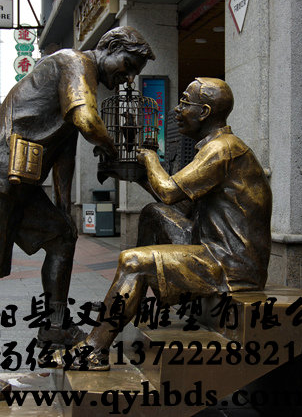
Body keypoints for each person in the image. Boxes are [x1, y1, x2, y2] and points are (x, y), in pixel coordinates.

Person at [0, 26, 155, 401]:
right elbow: (86, 121)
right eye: (127, 65)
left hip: (19, 181)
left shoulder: (81, 84)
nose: (128, 77)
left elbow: (65, 154)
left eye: (134, 73)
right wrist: (113, 148)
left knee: (62, 236)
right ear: (109, 47)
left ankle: (54, 327)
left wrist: (63, 207)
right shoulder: (74, 63)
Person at [58, 78, 273, 370]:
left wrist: (150, 160)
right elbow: (180, 205)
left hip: (230, 264)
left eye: (185, 103)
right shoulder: (215, 147)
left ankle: (94, 350)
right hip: (210, 245)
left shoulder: (223, 149)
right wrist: (137, 175)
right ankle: (132, 298)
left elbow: (169, 191)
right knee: (153, 213)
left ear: (204, 112)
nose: (177, 110)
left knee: (134, 262)